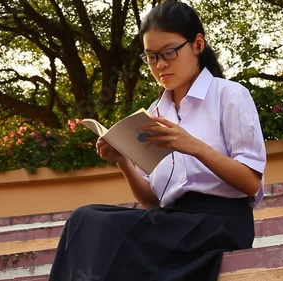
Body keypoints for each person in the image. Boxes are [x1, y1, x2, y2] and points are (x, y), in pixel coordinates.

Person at [48, 0, 266, 280]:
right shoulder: (154, 113)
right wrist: (123, 160)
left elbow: (251, 181)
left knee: (105, 231)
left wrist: (192, 145)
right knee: (85, 218)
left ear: (198, 44)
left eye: (169, 53)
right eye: (151, 57)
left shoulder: (230, 96)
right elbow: (151, 199)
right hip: (171, 222)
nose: (160, 65)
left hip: (218, 223)